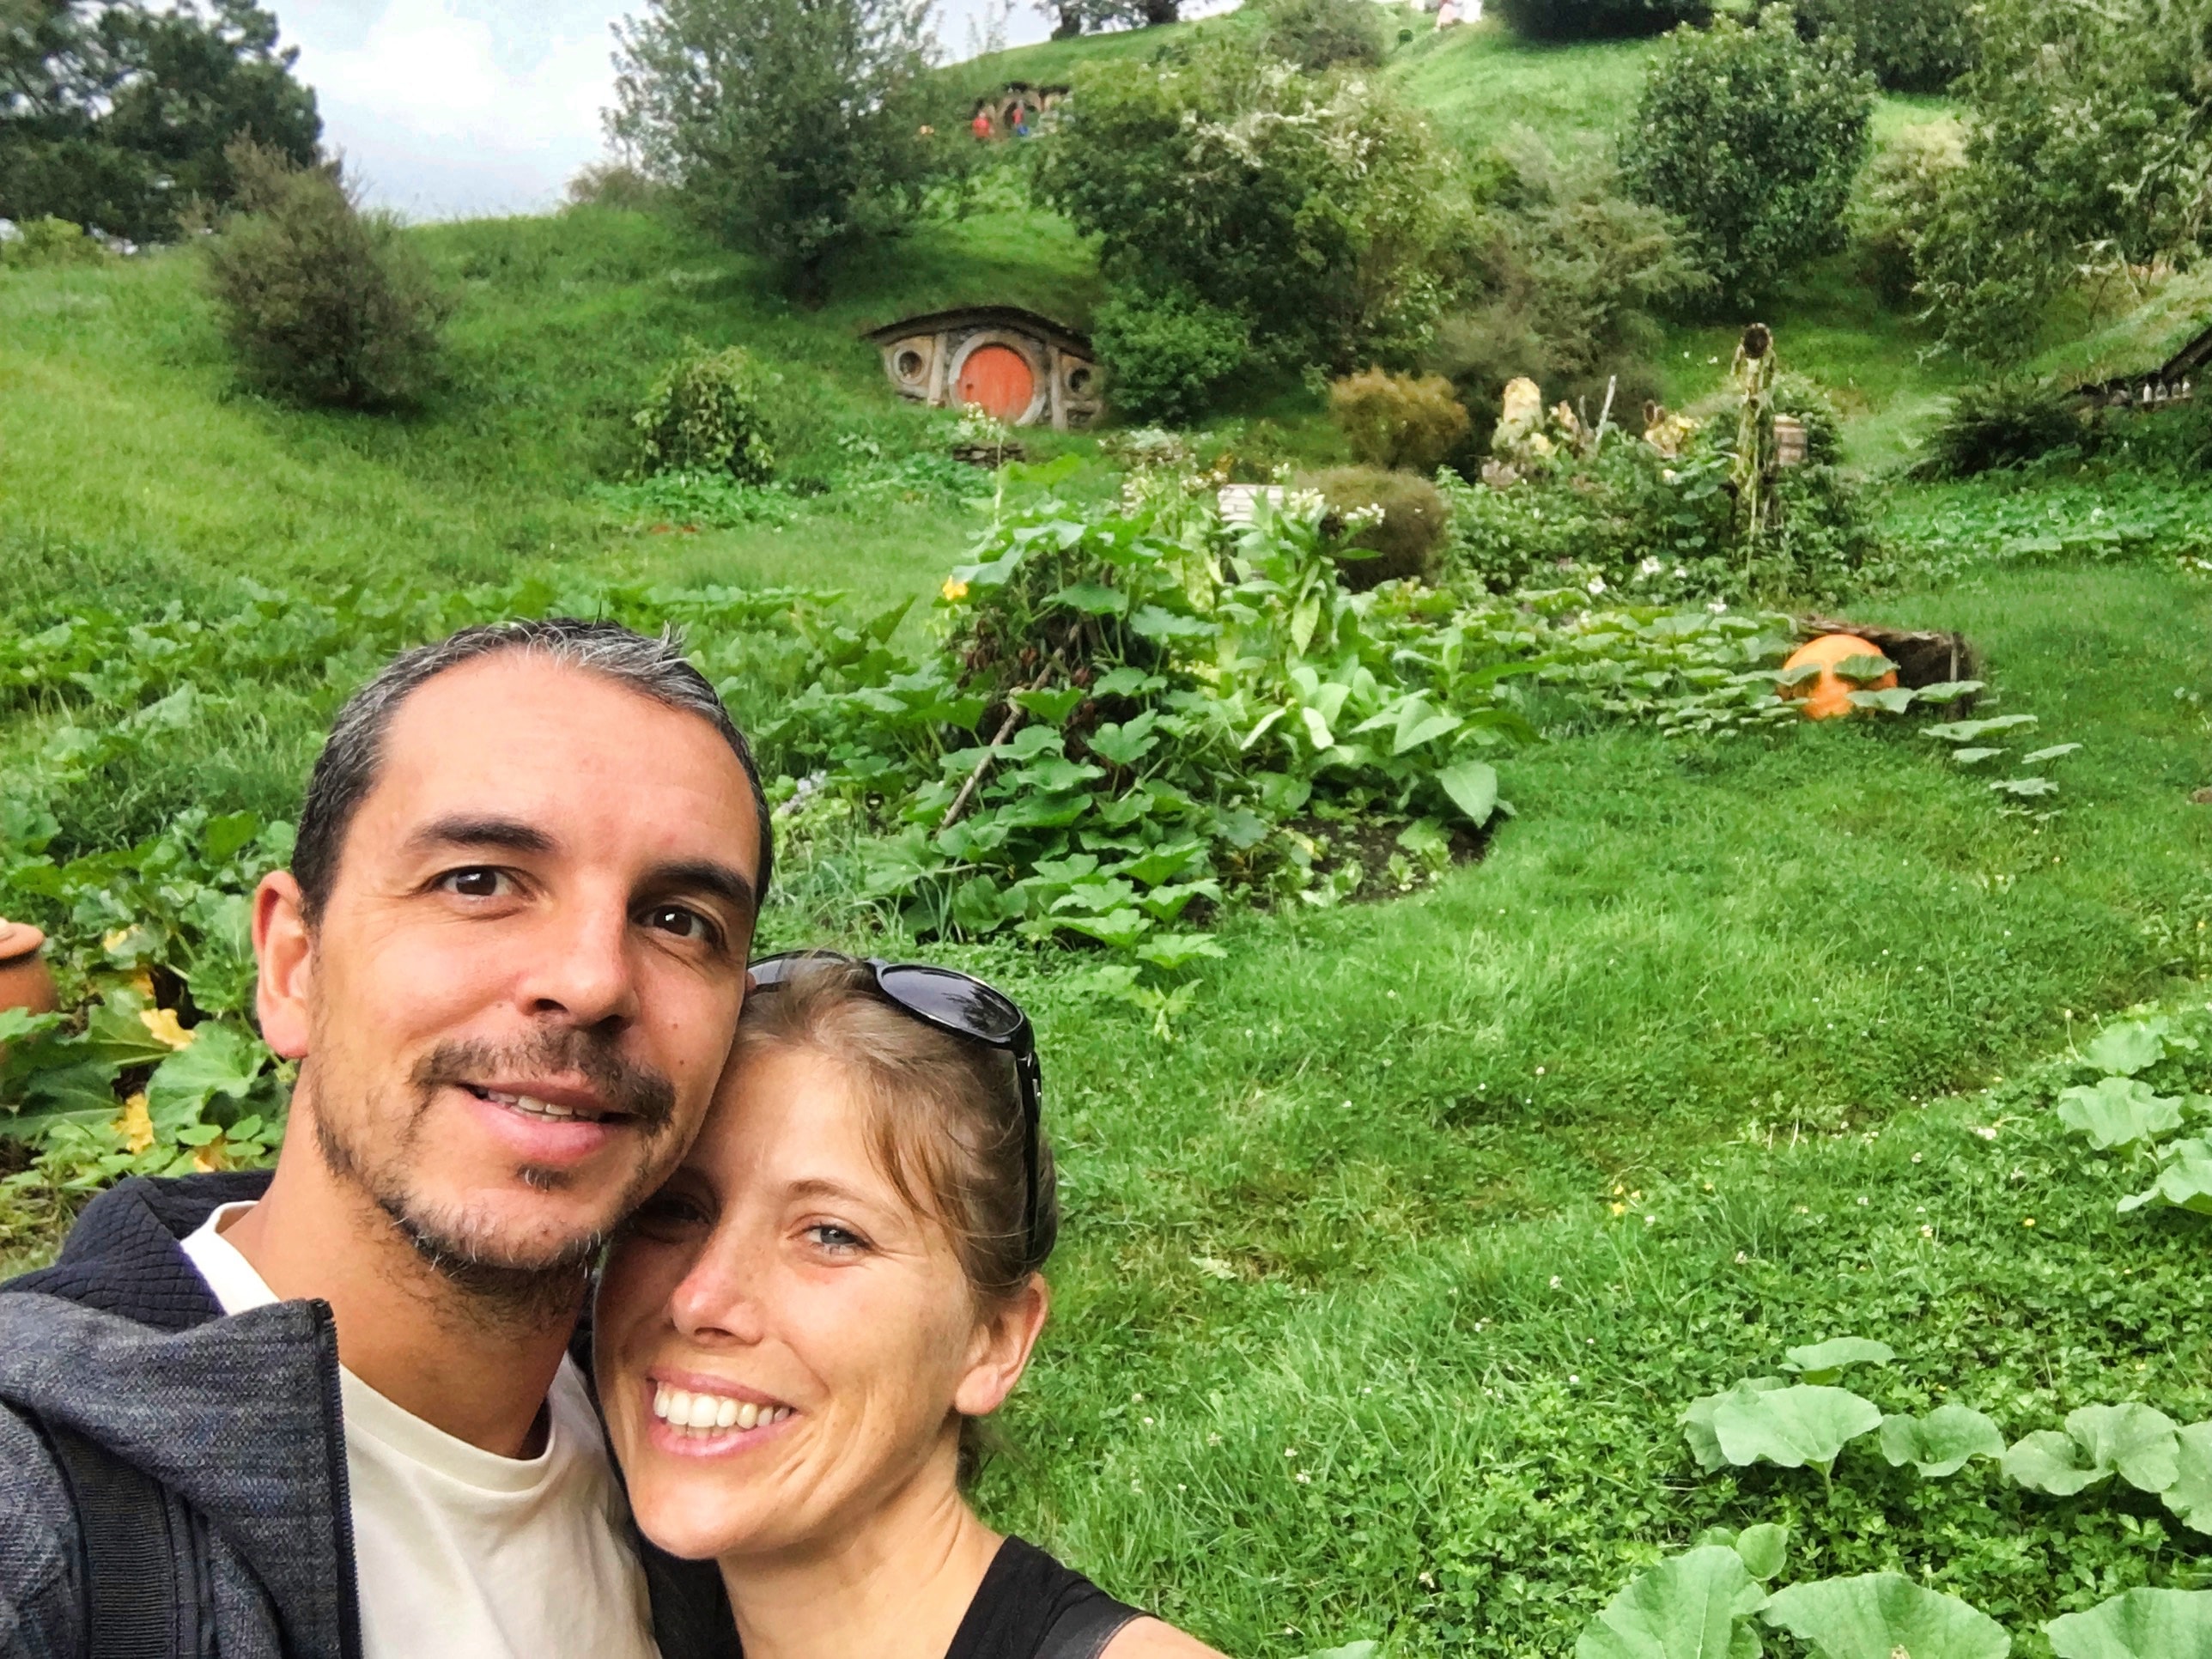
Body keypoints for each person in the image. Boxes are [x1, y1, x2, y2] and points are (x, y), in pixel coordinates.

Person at [0, 619, 768, 1658]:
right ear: (292, 965)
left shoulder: (699, 1448)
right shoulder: (43, 1499)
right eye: (479, 881)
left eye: (678, 920)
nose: (591, 981)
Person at [595, 951, 1225, 1659]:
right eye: (677, 1209)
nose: (699, 1297)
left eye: (832, 1235)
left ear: (993, 1342)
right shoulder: (597, 1588)